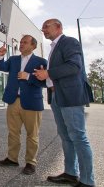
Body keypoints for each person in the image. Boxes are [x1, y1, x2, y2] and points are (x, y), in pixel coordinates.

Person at [33, 18, 95, 187]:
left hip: (70, 97)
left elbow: (74, 67)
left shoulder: (69, 42)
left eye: (47, 26)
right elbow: (54, 75)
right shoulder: (54, 47)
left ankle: (88, 181)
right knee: (66, 137)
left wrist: (48, 73)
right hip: (57, 98)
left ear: (58, 27)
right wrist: (42, 77)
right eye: (43, 26)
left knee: (78, 136)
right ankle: (71, 173)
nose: (43, 29)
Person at [0, 35, 47, 175]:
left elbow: (44, 82)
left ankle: (31, 162)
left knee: (32, 134)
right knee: (13, 132)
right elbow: (1, 67)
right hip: (13, 101)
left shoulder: (41, 61)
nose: (22, 44)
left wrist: (28, 76)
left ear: (33, 46)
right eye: (21, 42)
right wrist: (0, 56)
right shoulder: (13, 59)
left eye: (25, 42)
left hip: (32, 102)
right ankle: (12, 159)